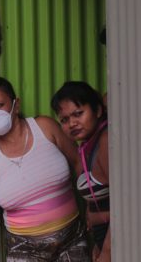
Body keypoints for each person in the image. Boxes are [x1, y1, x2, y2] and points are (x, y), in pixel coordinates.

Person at [0, 77, 89, 262]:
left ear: (16, 105)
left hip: (72, 242)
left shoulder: (45, 127)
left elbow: (78, 162)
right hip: (24, 251)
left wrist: (92, 207)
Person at [51, 82, 110, 262]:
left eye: (78, 114)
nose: (72, 124)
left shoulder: (105, 141)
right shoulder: (86, 146)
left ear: (98, 111)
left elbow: (124, 206)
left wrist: (107, 252)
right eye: (64, 120)